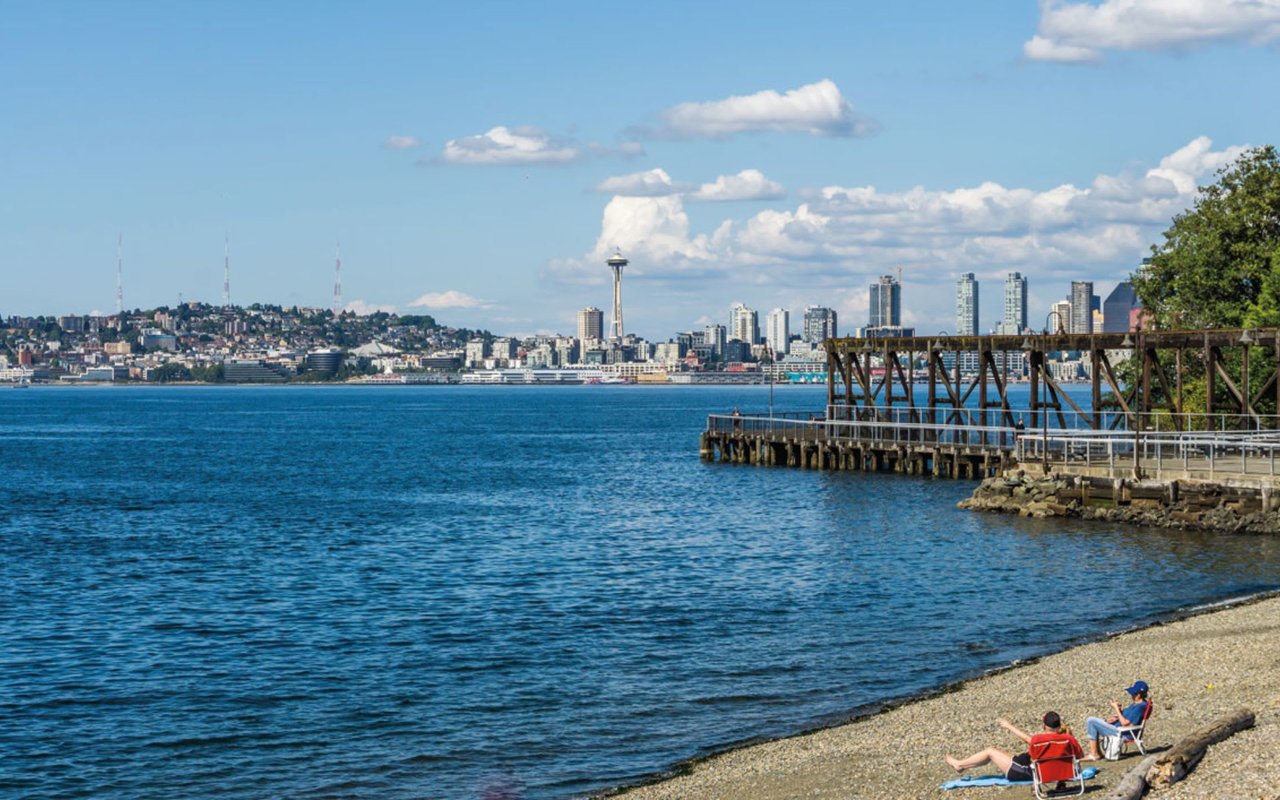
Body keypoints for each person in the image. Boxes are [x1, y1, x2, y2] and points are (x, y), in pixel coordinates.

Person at [945, 711, 1081, 782]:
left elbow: (1027, 739)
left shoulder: (1038, 740)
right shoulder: (1069, 739)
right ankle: (963, 766)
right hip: (1056, 771)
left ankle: (959, 764)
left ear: (1044, 726)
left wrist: (1008, 726)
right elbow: (1080, 756)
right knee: (1002, 754)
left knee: (990, 751)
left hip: (1027, 772)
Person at [1082, 680, 1150, 760]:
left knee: (1091, 721)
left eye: (1133, 694)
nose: (1131, 695)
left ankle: (1094, 754)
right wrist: (1118, 712)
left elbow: (1125, 723)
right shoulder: (1136, 704)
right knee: (1094, 722)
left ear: (1139, 694)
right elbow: (1125, 718)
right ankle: (1098, 753)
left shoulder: (1140, 707)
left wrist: (1116, 709)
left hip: (1123, 733)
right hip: (1120, 730)